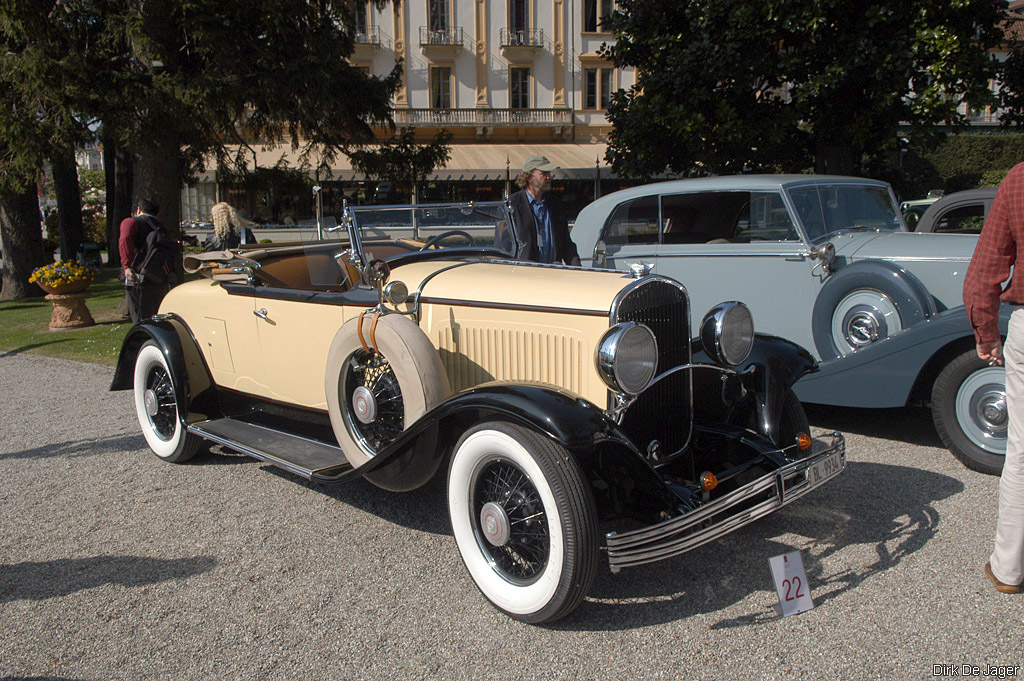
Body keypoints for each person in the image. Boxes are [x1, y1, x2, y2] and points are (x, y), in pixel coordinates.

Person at [963, 161, 1024, 595]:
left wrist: (986, 332)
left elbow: (986, 268)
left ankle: (1008, 568)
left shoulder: (1020, 178)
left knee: (1022, 451)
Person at [508, 155, 581, 266]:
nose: (549, 177)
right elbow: (504, 248)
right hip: (524, 276)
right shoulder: (511, 205)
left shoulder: (555, 204)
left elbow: (566, 244)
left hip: (552, 275)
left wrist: (578, 271)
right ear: (529, 177)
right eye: (544, 173)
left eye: (549, 173)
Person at [118, 197, 168, 323]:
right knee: (156, 314)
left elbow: (125, 241)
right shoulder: (161, 228)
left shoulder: (131, 223)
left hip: (136, 275)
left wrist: (127, 266)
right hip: (158, 277)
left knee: (140, 316)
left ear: (139, 209)